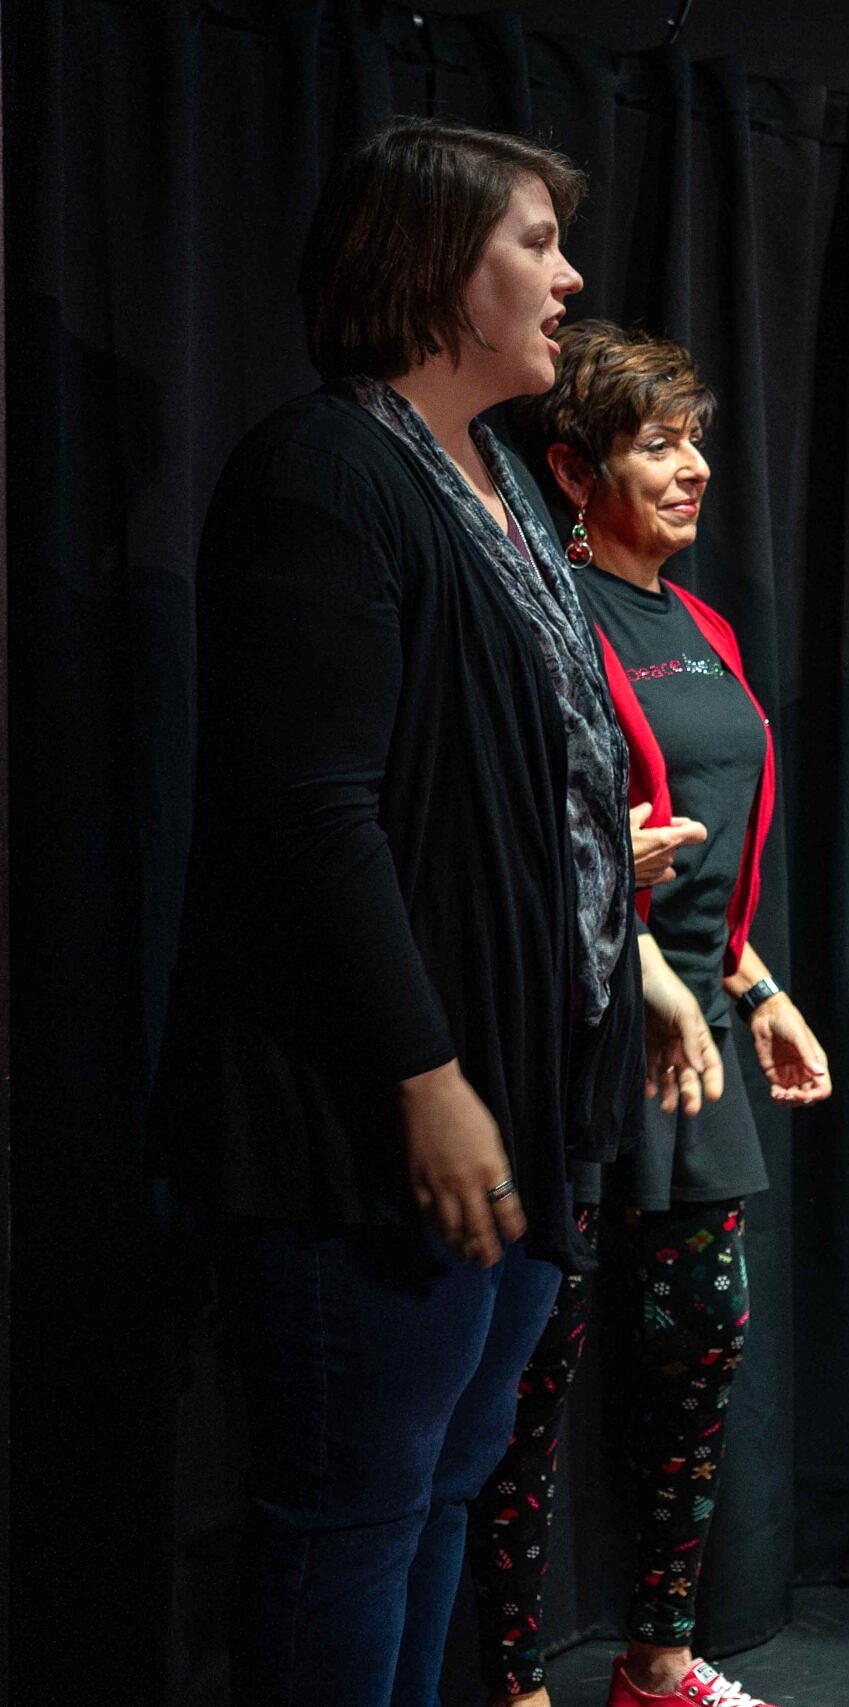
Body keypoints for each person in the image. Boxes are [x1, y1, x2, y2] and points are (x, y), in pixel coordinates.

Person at [150, 118, 671, 1707]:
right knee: (352, 1508)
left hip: (522, 1096)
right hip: (378, 1119)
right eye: (533, 240)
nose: (570, 274)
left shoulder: (502, 478)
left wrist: (616, 929)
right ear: (430, 262)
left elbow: (504, 777)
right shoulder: (325, 470)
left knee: (445, 1486)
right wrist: (424, 1076)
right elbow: (316, 814)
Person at [461, 323, 832, 1707]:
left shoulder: (707, 624)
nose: (690, 469)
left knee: (693, 1376)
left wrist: (756, 984)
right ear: (572, 466)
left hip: (697, 1051)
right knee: (530, 1395)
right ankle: (513, 1680)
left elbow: (703, 854)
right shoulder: (544, 618)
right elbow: (554, 846)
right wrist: (658, 975)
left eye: (694, 440)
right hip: (581, 1041)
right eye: (652, 444)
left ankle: (661, 1656)